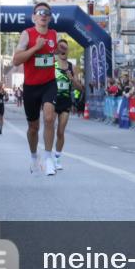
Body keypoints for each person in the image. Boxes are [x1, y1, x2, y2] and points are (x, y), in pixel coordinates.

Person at [12, 2, 59, 176]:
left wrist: (58, 52)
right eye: (39, 12)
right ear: (34, 17)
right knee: (33, 127)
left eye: (46, 12)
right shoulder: (27, 34)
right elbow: (16, 60)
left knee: (48, 118)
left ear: (50, 17)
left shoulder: (54, 34)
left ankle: (48, 158)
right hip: (31, 86)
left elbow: (54, 54)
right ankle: (34, 156)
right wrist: (36, 48)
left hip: (49, 83)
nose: (43, 14)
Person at [53, 38, 84, 170]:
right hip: (52, 99)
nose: (63, 50)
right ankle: (48, 154)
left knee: (60, 132)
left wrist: (72, 80)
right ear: (57, 49)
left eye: (65, 48)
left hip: (65, 100)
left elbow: (79, 88)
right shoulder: (52, 64)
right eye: (61, 48)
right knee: (49, 127)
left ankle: (57, 158)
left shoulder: (72, 67)